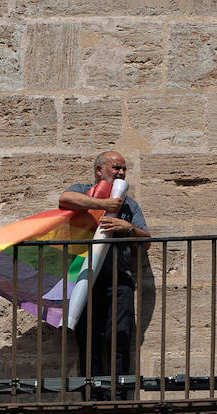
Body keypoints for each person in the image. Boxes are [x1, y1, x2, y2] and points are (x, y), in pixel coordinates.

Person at [58, 150, 151, 399]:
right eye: (115, 168)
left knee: (119, 336)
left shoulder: (129, 205)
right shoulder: (84, 191)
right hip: (85, 279)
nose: (121, 172)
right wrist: (103, 205)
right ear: (100, 171)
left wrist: (127, 227)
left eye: (123, 169)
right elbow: (65, 199)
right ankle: (93, 397)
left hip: (118, 280)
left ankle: (118, 396)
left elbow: (147, 241)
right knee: (89, 339)